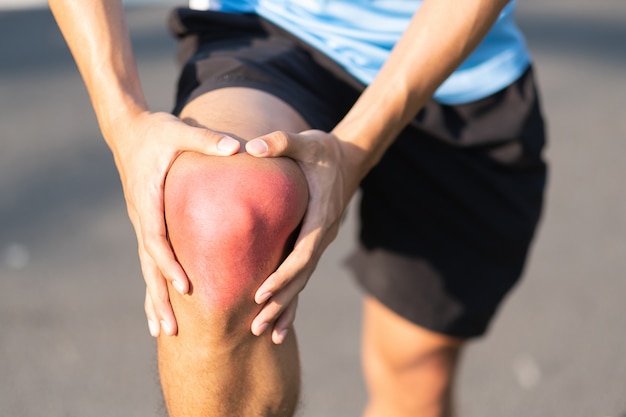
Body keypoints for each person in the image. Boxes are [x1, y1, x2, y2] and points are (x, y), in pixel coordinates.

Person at [48, 0, 547, 416]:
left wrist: (354, 152)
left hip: (455, 61)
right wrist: (123, 120)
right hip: (273, 29)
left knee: (416, 372)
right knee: (223, 211)